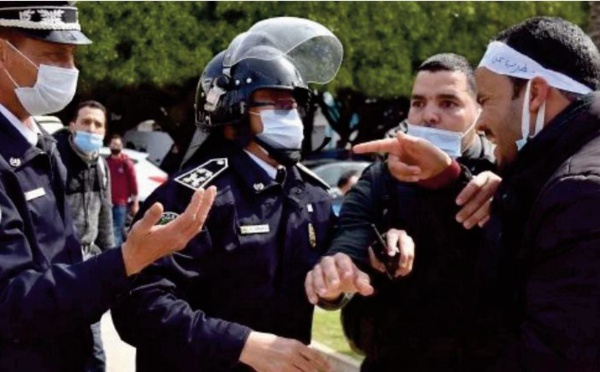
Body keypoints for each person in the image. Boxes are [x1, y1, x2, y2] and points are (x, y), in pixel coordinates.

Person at [354, 17, 600, 371]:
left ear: (537, 94)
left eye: (484, 100)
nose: (481, 122)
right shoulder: (557, 175)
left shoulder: (581, 195)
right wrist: (451, 180)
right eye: (418, 102)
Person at [111, 17, 344, 372]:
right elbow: (140, 304)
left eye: (293, 103)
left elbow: (329, 276)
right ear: (233, 110)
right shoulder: (195, 196)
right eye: (274, 102)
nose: (290, 114)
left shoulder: (313, 194)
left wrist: (333, 290)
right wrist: (242, 345)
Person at [0, 2, 216, 371]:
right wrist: (124, 261)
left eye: (72, 56)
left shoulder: (42, 147)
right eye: (53, 54)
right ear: (3, 53)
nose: (69, 70)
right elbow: (11, 302)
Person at [305, 53, 501, 371]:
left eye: (448, 103)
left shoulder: (501, 170)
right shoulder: (382, 176)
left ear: (478, 111)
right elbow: (352, 232)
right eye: (418, 103)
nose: (429, 116)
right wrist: (339, 273)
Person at [53, 100, 114, 372]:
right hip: (58, 270)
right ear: (72, 125)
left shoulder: (101, 166)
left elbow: (106, 219)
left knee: (94, 352)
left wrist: (113, 266)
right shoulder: (54, 161)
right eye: (86, 122)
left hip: (90, 268)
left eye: (98, 124)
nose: (92, 128)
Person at [106, 134, 139, 246]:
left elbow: (134, 185)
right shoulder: (106, 162)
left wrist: (135, 204)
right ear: (109, 145)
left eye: (118, 145)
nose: (115, 147)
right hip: (106, 202)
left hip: (120, 203)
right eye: (113, 144)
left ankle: (117, 256)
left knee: (116, 230)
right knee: (108, 230)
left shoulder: (126, 163)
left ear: (122, 146)